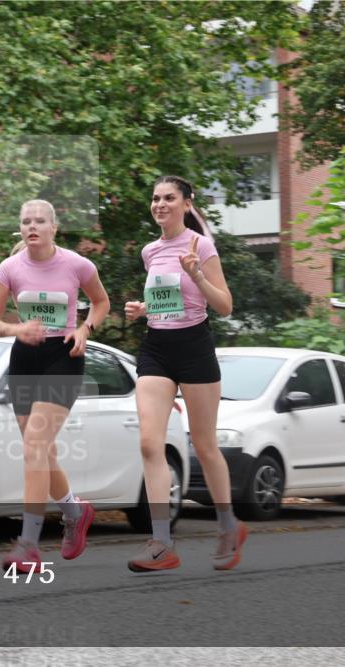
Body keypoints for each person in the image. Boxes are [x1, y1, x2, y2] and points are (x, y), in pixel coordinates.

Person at [123, 175, 246, 572]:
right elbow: (166, 299)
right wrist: (144, 309)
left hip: (194, 347)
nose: (160, 204)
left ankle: (228, 525)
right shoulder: (149, 251)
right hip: (157, 347)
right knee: (147, 442)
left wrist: (196, 274)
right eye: (155, 198)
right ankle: (161, 543)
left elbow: (224, 305)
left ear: (187, 203)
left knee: (206, 445)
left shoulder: (201, 245)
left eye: (169, 198)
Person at [0, 199, 111, 573]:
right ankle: (75, 511)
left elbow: (101, 302)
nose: (32, 226)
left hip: (64, 357)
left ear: (54, 227)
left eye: (40, 221)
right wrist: (16, 328)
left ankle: (29, 545)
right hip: (25, 358)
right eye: (26, 221)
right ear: (20, 229)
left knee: (35, 447)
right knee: (40, 451)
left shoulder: (77, 264)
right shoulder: (9, 268)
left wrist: (85, 328)